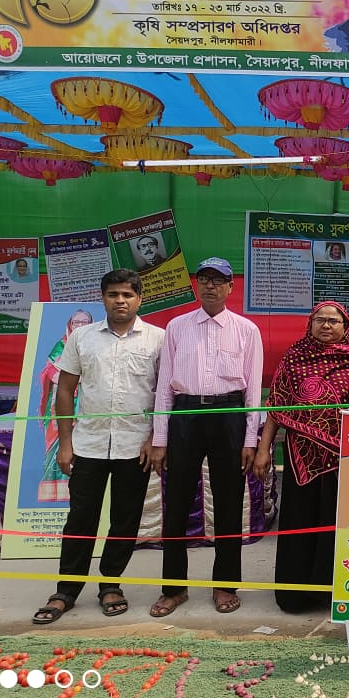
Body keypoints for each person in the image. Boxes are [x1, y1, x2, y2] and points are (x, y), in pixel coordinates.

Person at [32, 270, 165, 624]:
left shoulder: (159, 339)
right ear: (102, 298)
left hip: (135, 446)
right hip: (87, 444)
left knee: (125, 519)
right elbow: (64, 390)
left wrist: (155, 438)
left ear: (140, 299)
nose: (120, 301)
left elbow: (165, 394)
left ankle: (111, 584)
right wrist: (65, 442)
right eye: (113, 294)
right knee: (80, 518)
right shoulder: (82, 337)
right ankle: (66, 590)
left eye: (127, 295)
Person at [149, 257, 264, 617]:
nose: (211, 285)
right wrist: (160, 438)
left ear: (231, 286)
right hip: (185, 414)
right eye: (204, 279)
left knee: (229, 504)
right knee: (176, 504)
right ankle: (174, 589)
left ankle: (225, 585)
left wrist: (250, 439)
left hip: (229, 415)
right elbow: (164, 387)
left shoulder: (247, 330)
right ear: (197, 284)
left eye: (218, 280)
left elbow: (254, 391)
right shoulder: (177, 327)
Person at [254, 301, 349, 612]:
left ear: (345, 327)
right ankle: (296, 595)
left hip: (345, 458)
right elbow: (276, 406)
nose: (326, 325)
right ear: (310, 324)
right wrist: (264, 449)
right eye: (320, 320)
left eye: (334, 321)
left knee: (337, 520)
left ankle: (333, 592)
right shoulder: (294, 357)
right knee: (300, 518)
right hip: (300, 456)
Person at [36, 308, 95, 503]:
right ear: (70, 324)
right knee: (60, 446)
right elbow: (50, 371)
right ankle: (56, 490)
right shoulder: (61, 345)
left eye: (85, 322)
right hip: (62, 404)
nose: (80, 326)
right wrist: (71, 381)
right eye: (77, 322)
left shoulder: (98, 346)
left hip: (89, 404)